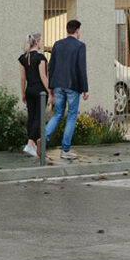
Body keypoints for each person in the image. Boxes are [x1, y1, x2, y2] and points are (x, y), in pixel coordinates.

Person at [46, 17, 88, 159]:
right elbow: (81, 68)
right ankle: (65, 150)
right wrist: (85, 89)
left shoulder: (57, 45)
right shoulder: (80, 46)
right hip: (73, 86)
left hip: (58, 85)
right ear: (77, 30)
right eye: (80, 30)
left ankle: (42, 140)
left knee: (57, 114)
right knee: (71, 116)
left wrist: (51, 86)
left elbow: (51, 66)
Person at [18, 32, 48, 159]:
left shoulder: (22, 58)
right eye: (41, 41)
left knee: (31, 117)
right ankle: (31, 143)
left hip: (29, 90)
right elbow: (43, 76)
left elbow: (22, 78)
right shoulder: (41, 58)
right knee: (38, 117)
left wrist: (23, 93)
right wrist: (50, 91)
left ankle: (32, 144)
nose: (41, 43)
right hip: (40, 91)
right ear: (36, 42)